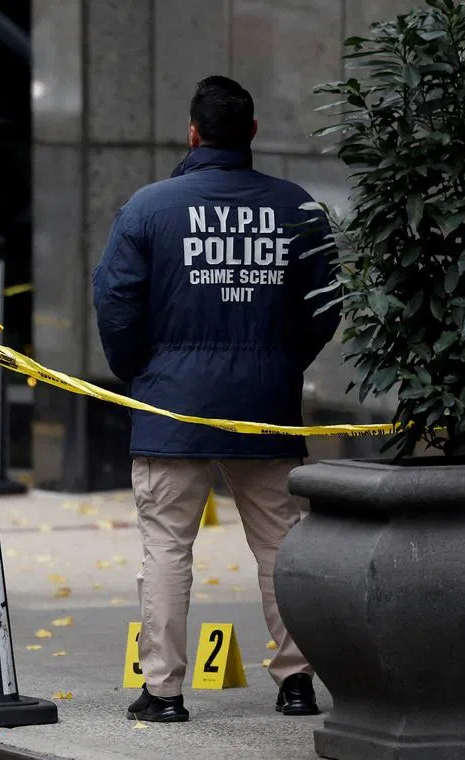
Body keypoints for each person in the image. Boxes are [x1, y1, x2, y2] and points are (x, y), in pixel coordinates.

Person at [92, 75, 340, 723]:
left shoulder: (149, 207)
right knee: (282, 548)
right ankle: (296, 683)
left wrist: (140, 374)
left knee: (167, 548)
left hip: (171, 409)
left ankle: (164, 692)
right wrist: (284, 365)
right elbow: (325, 305)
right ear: (253, 133)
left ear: (192, 133)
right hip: (266, 406)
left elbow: (115, 303)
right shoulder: (296, 207)